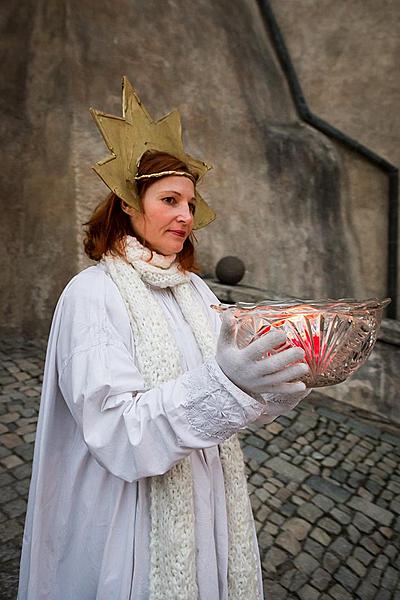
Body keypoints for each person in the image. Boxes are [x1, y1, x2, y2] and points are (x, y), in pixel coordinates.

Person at [18, 77, 310, 600]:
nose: (185, 216)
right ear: (129, 204)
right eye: (170, 199)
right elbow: (119, 433)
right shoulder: (93, 295)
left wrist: (276, 378)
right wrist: (225, 384)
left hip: (209, 504)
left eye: (191, 204)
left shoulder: (196, 291)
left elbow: (231, 401)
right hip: (129, 522)